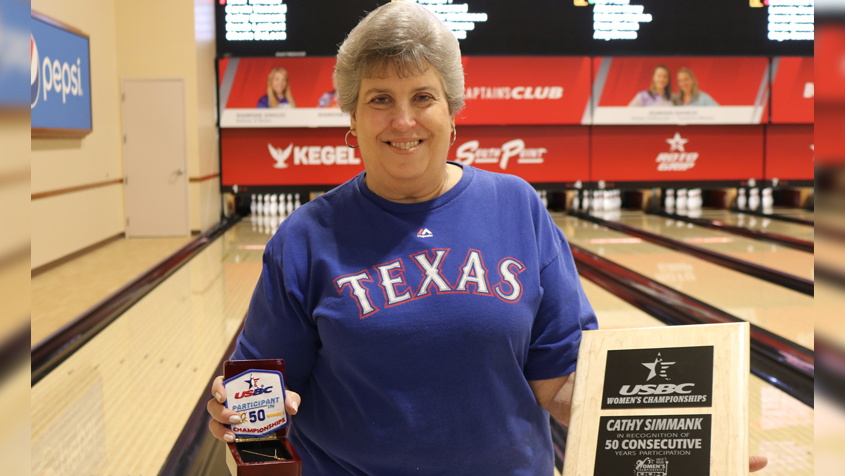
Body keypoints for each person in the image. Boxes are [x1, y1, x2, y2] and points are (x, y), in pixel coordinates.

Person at [207, 2, 768, 474]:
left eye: (423, 97)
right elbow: (257, 417)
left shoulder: (516, 206)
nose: (403, 120)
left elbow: (563, 385)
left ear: (454, 113)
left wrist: (697, 448)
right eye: (379, 99)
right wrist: (243, 430)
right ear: (350, 117)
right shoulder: (305, 239)